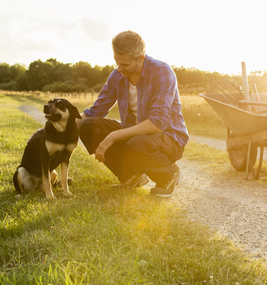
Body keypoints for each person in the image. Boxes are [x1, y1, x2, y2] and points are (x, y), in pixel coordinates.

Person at [77, 30, 188, 197]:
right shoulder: (117, 75)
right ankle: (131, 177)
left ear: (141, 57)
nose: (119, 69)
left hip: (168, 138)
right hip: (137, 136)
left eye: (125, 65)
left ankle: (168, 174)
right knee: (88, 126)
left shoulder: (162, 72)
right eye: (117, 63)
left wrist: (113, 136)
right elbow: (96, 110)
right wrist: (69, 124)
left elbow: (158, 123)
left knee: (136, 144)